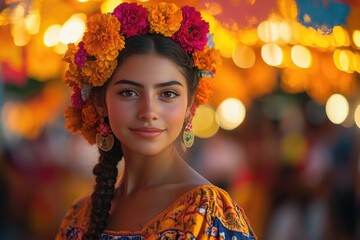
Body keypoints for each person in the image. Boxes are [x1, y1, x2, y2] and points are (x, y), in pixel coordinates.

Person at [55, 2, 256, 239]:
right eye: (129, 92)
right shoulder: (80, 215)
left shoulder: (208, 212)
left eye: (168, 94)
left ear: (190, 105)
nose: (149, 111)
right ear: (100, 103)